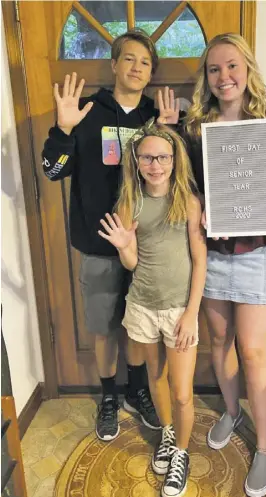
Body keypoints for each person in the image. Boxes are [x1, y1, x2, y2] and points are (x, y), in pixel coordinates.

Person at [41, 29, 180, 442]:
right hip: (100, 245)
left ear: (150, 72)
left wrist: (173, 133)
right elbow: (52, 171)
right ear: (115, 64)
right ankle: (108, 396)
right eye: (130, 59)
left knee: (139, 328)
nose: (137, 68)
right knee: (104, 327)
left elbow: (179, 174)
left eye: (145, 63)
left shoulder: (156, 116)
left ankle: (138, 390)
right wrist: (64, 131)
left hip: (148, 246)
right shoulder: (86, 112)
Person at [182, 33, 266, 497]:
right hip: (212, 253)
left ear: (247, 69)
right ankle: (233, 412)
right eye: (214, 70)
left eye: (231, 66)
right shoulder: (198, 128)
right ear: (206, 79)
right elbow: (189, 188)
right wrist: (201, 208)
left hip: (257, 253)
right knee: (219, 340)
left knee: (254, 352)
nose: (224, 77)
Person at [98, 120, 207, 497]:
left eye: (162, 157)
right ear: (137, 162)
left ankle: (181, 452)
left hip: (179, 310)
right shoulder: (131, 202)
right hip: (142, 307)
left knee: (181, 392)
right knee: (155, 379)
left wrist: (192, 312)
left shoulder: (189, 202)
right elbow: (130, 264)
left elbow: (199, 259)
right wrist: (124, 245)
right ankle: (166, 434)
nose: (155, 165)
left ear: (175, 159)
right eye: (147, 158)